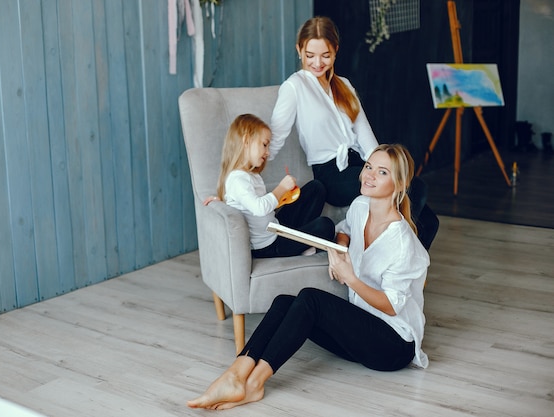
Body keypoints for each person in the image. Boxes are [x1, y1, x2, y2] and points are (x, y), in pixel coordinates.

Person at [187, 144, 430, 410]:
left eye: (381, 172)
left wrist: (351, 279)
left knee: (310, 300)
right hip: (359, 333)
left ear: (399, 184)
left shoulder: (402, 241)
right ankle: (236, 374)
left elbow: (393, 306)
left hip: (392, 345)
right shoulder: (361, 206)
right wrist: (339, 249)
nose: (369, 175)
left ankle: (255, 382)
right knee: (283, 302)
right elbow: (344, 229)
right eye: (369, 166)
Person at [269, 16, 438, 250]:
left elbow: (368, 141)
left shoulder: (344, 85)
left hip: (360, 164)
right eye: (310, 55)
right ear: (299, 50)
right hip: (331, 174)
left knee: (428, 217)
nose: (317, 63)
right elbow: (274, 139)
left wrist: (387, 170)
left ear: (336, 51)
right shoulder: (293, 88)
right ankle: (379, 256)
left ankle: (404, 271)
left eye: (325, 55)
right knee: (413, 191)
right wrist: (238, 174)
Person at [205, 113, 335, 258]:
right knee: (326, 225)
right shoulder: (237, 179)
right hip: (268, 246)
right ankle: (302, 245)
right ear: (246, 140)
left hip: (275, 227)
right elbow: (259, 208)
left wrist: (283, 197)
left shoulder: (250, 175)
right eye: (264, 144)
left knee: (316, 188)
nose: (267, 152)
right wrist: (281, 189)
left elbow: (246, 203)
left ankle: (301, 244)